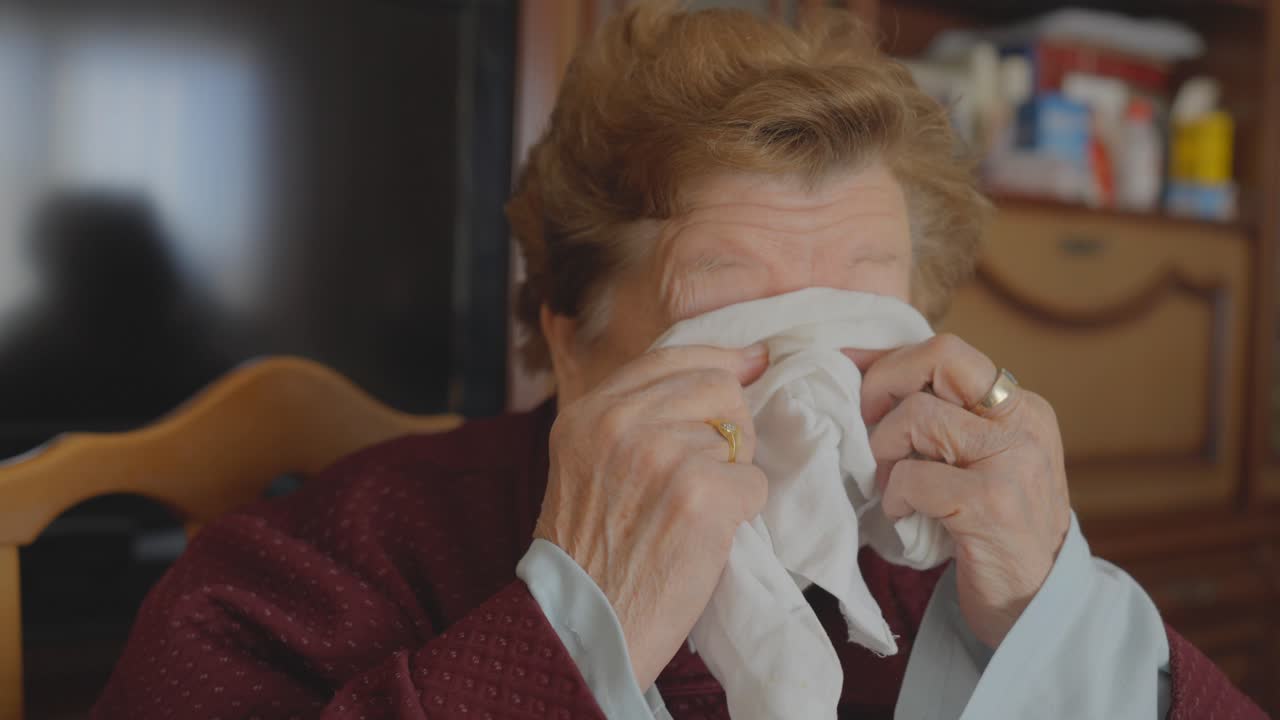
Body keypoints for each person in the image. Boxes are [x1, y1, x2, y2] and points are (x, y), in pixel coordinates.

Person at [93, 4, 1267, 719]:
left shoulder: (939, 552)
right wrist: (572, 632)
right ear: (567, 328)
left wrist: (1054, 611)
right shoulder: (316, 573)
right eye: (738, 318)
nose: (815, 382)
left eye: (859, 318)